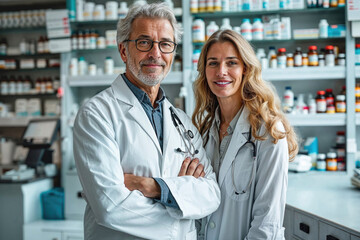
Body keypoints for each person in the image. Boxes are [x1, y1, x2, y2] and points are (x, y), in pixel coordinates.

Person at [73, 3, 220, 240]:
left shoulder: (181, 121)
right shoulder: (97, 114)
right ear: (123, 51)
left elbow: (212, 194)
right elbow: (110, 207)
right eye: (144, 42)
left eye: (165, 44)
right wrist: (182, 212)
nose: (156, 53)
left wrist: (154, 187)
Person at [192, 29, 298, 240]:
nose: (221, 71)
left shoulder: (268, 131)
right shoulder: (203, 130)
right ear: (204, 71)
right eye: (213, 63)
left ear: (246, 69)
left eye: (231, 62)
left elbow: (267, 223)